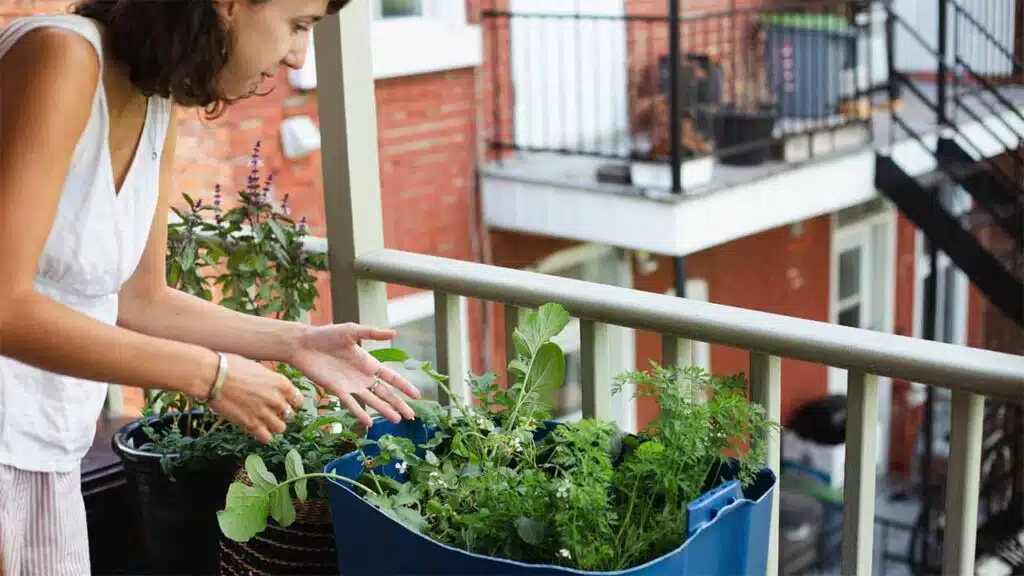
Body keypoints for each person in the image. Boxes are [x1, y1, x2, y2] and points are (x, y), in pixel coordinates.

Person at [0, 1, 421, 574]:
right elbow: (5, 304)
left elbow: (139, 300)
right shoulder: (63, 58)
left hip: (45, 452)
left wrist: (295, 341)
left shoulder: (155, 102)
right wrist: (212, 376)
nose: (297, 56)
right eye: (298, 25)